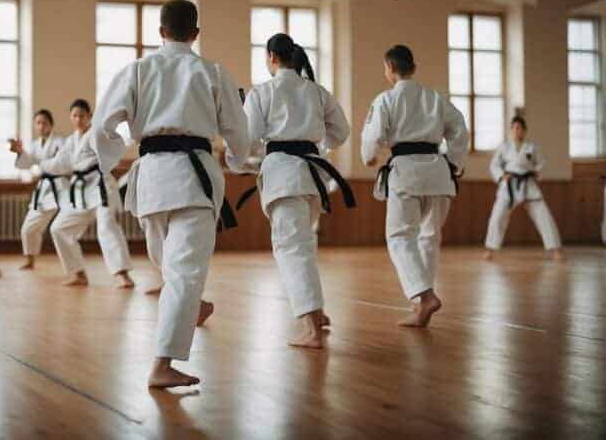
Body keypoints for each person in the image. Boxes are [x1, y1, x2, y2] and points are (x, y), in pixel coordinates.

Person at [93, 0, 249, 388]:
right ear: (196, 33)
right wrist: (235, 157)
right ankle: (162, 364)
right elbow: (238, 131)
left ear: (160, 32)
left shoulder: (138, 70)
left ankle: (194, 307)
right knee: (183, 271)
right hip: (194, 178)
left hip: (151, 179)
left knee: (170, 265)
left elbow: (102, 126)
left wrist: (110, 158)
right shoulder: (211, 72)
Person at [230, 33, 354, 349]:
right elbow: (341, 131)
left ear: (271, 56)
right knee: (303, 244)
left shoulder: (263, 92)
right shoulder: (316, 91)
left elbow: (249, 137)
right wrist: (315, 145)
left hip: (284, 176)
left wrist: (236, 162)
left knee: (291, 248)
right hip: (313, 176)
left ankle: (310, 325)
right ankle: (319, 313)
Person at [361, 45, 469, 328]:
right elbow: (459, 128)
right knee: (429, 237)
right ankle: (421, 304)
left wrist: (369, 156)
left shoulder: (386, 100)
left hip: (406, 172)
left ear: (389, 68)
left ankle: (425, 296)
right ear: (413, 67)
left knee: (399, 236)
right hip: (438, 171)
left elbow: (373, 136)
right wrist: (455, 162)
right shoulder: (435, 97)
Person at [12, 99, 134, 288]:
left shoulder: (98, 133)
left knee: (106, 227)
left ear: (89, 116)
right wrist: (39, 165)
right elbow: (60, 163)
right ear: (71, 117)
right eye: (75, 116)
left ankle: (123, 275)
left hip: (100, 187)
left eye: (82, 116)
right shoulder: (72, 140)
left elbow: (115, 149)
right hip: (81, 191)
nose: (78, 119)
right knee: (59, 228)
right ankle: (78, 273)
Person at [483, 117, 564, 262]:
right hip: (509, 186)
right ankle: (490, 249)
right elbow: (494, 165)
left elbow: (541, 163)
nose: (516, 131)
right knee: (497, 216)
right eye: (514, 128)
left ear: (525, 131)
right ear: (510, 130)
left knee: (544, 216)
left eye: (519, 128)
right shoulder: (504, 147)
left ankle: (556, 250)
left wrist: (537, 171)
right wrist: (502, 176)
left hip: (528, 184)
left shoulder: (532, 147)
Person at [9, 109, 66, 270]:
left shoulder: (60, 142)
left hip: (61, 187)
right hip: (44, 189)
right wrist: (20, 152)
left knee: (66, 227)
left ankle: (73, 265)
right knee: (28, 228)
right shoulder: (35, 145)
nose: (41, 126)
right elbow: (26, 163)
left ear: (51, 125)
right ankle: (30, 260)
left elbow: (64, 161)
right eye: (38, 123)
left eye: (44, 123)